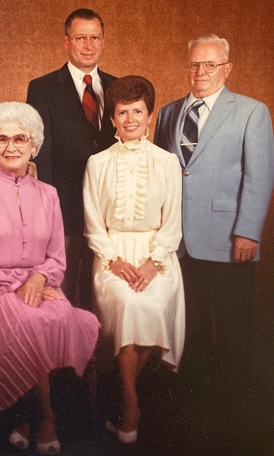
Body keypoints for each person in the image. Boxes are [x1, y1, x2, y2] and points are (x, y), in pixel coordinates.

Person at [0, 102, 99, 455]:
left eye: (20, 139)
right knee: (27, 322)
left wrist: (40, 279)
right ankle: (43, 416)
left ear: (34, 146)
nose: (11, 147)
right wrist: (19, 284)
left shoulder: (49, 194)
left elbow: (57, 258)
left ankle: (24, 416)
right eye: (2, 139)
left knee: (61, 315)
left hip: (40, 284)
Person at [154, 34, 274, 412]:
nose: (201, 72)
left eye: (210, 65)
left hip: (227, 236)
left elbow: (259, 176)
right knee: (190, 321)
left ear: (227, 69)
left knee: (232, 320)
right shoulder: (169, 112)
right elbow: (161, 174)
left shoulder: (252, 111)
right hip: (179, 239)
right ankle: (194, 396)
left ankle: (235, 401)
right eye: (194, 64)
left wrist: (247, 231)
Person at [83, 75, 185, 444]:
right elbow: (93, 225)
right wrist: (113, 261)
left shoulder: (167, 162)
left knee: (151, 303)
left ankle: (122, 389)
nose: (129, 120)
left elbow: (172, 225)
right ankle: (131, 401)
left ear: (150, 115)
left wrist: (151, 263)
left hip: (157, 257)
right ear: (111, 118)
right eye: (122, 112)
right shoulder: (97, 163)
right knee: (127, 302)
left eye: (137, 111)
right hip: (112, 256)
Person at [26, 8, 116, 310]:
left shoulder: (118, 87)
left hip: (109, 215)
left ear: (103, 41)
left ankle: (97, 357)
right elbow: (42, 157)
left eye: (94, 37)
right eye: (80, 38)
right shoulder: (43, 89)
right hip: (64, 212)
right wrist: (49, 216)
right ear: (66, 41)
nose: (88, 45)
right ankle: (62, 357)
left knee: (101, 296)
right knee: (59, 292)